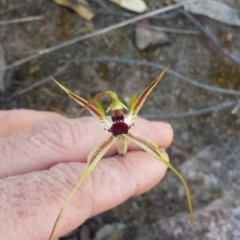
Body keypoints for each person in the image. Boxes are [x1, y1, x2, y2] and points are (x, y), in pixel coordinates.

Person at [0, 109, 173, 240]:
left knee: (159, 159)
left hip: (125, 144)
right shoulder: (111, 129)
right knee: (81, 177)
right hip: (115, 148)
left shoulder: (127, 130)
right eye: (115, 111)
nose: (117, 112)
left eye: (120, 111)